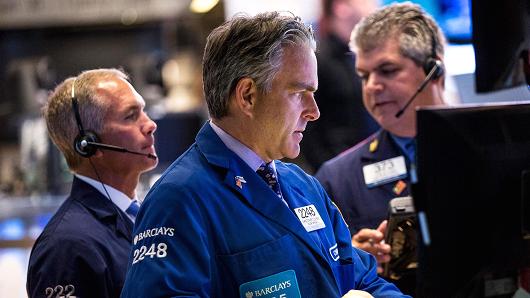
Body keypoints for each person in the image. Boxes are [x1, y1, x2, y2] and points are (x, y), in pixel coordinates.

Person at [121, 12, 408, 298]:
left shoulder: (303, 185)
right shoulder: (179, 200)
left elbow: (366, 281)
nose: (314, 111)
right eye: (299, 93)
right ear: (247, 96)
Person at [315, 2, 447, 295]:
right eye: (364, 75)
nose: (372, 86)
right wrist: (351, 262)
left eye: (387, 70)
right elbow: (321, 279)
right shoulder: (337, 178)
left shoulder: (496, 145)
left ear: (434, 69)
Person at [26, 68, 158, 298]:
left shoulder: (144, 214)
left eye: (143, 111)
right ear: (89, 144)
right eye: (130, 116)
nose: (150, 125)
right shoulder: (66, 247)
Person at [300, 0, 380, 173]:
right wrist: (330, 173)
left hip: (368, 165)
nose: (374, 4)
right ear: (341, 8)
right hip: (340, 170)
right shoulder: (318, 60)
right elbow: (307, 129)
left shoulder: (357, 57)